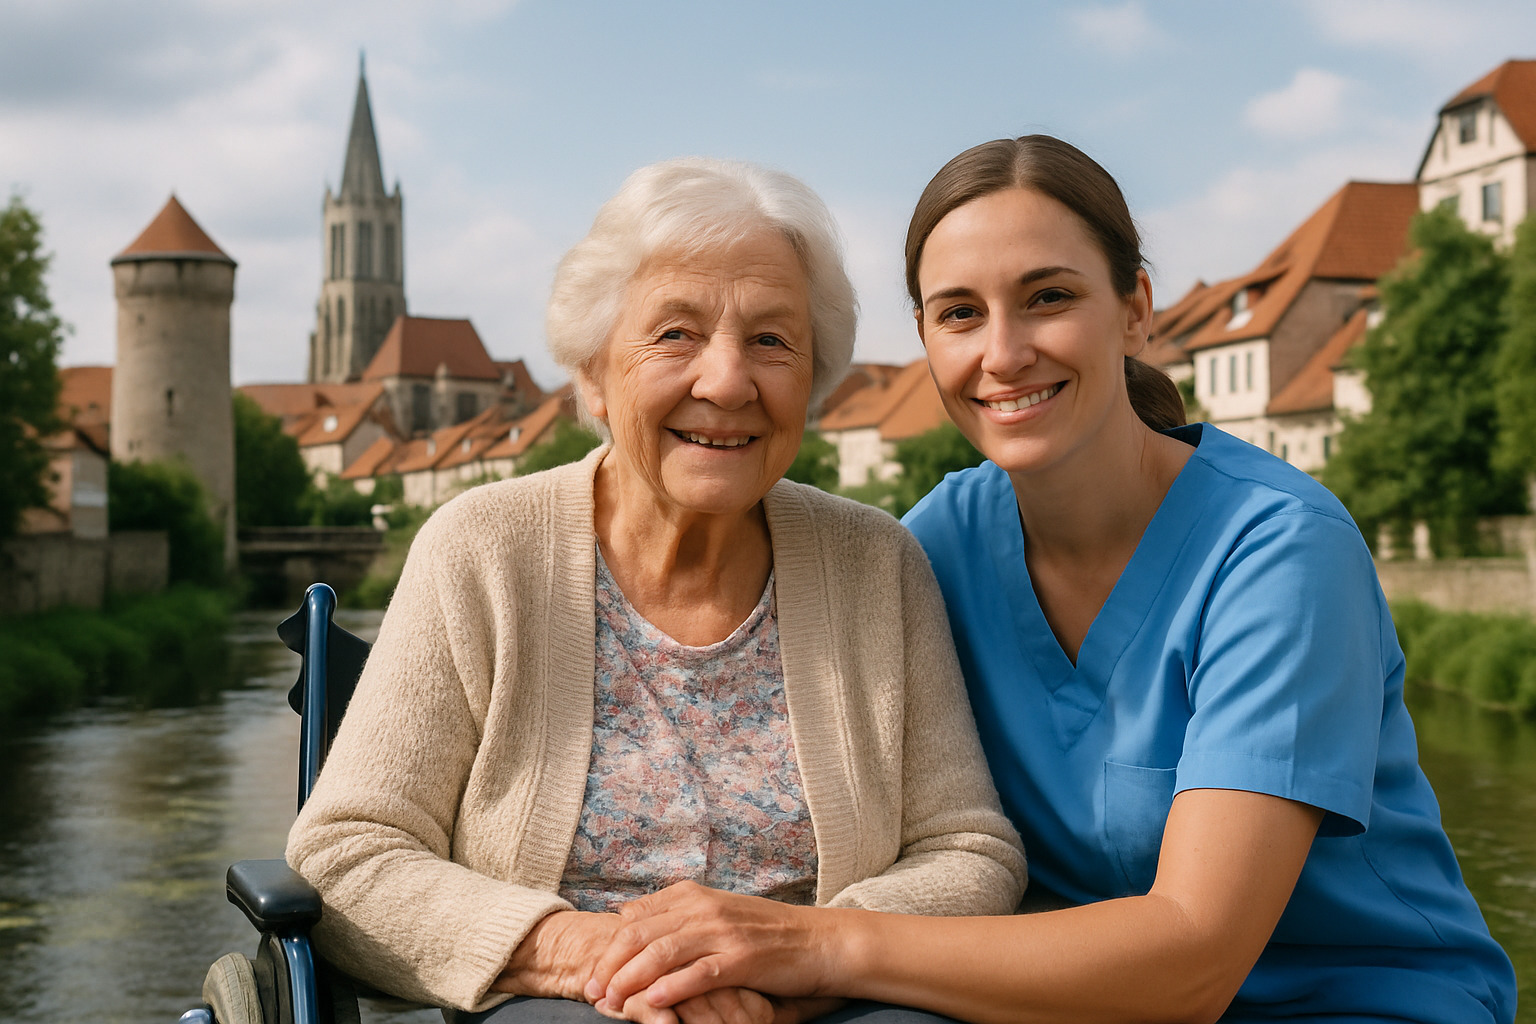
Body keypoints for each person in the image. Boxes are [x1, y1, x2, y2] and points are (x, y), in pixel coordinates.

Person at [583, 137, 1518, 1024]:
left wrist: (814, 947)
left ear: (1137, 307)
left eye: (1047, 296)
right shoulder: (932, 544)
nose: (1002, 352)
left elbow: (1195, 955)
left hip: (1351, 1003)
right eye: (959, 313)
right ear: (925, 342)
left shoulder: (1279, 553)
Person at [285, 156, 1026, 1024]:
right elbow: (345, 857)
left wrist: (797, 958)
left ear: (811, 382)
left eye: (772, 341)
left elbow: (971, 851)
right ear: (592, 373)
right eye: (675, 334)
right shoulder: (480, 551)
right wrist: (606, 958)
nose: (726, 381)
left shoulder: (878, 563)